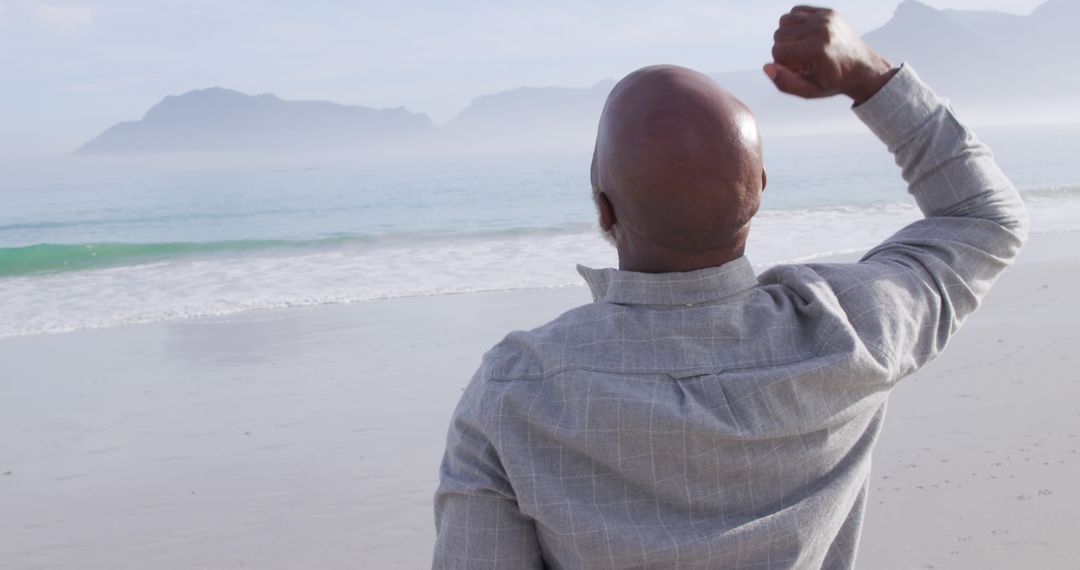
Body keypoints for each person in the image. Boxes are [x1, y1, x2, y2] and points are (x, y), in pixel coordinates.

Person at [432, 5, 1029, 569]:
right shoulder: (851, 329)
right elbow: (984, 218)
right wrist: (868, 76)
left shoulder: (515, 391)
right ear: (760, 187)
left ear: (603, 206)